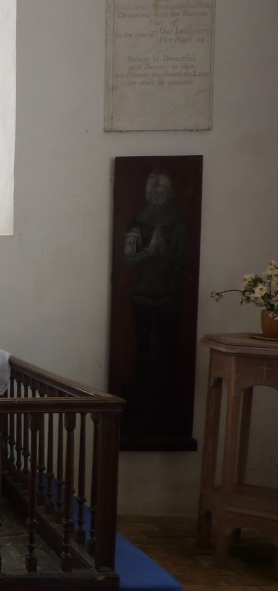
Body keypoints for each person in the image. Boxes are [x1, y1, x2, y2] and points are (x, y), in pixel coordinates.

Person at [123, 171, 188, 423]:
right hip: (142, 294)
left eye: (164, 189)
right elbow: (127, 260)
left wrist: (166, 254)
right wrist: (148, 253)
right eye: (155, 190)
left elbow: (184, 259)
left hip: (169, 294)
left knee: (167, 348)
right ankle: (141, 396)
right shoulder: (138, 223)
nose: (159, 193)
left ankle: (164, 397)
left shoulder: (178, 224)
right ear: (149, 193)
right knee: (142, 347)